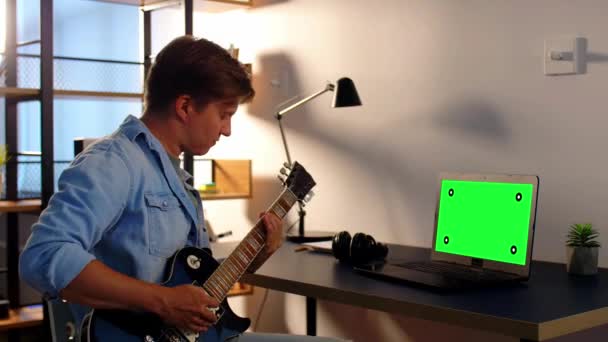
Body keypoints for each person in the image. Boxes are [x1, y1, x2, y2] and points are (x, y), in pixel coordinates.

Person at [19, 36, 345, 342]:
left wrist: (258, 256)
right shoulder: (113, 162)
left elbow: (196, 292)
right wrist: (163, 302)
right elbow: (44, 255)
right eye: (224, 114)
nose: (227, 130)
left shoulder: (178, 178)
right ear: (186, 107)